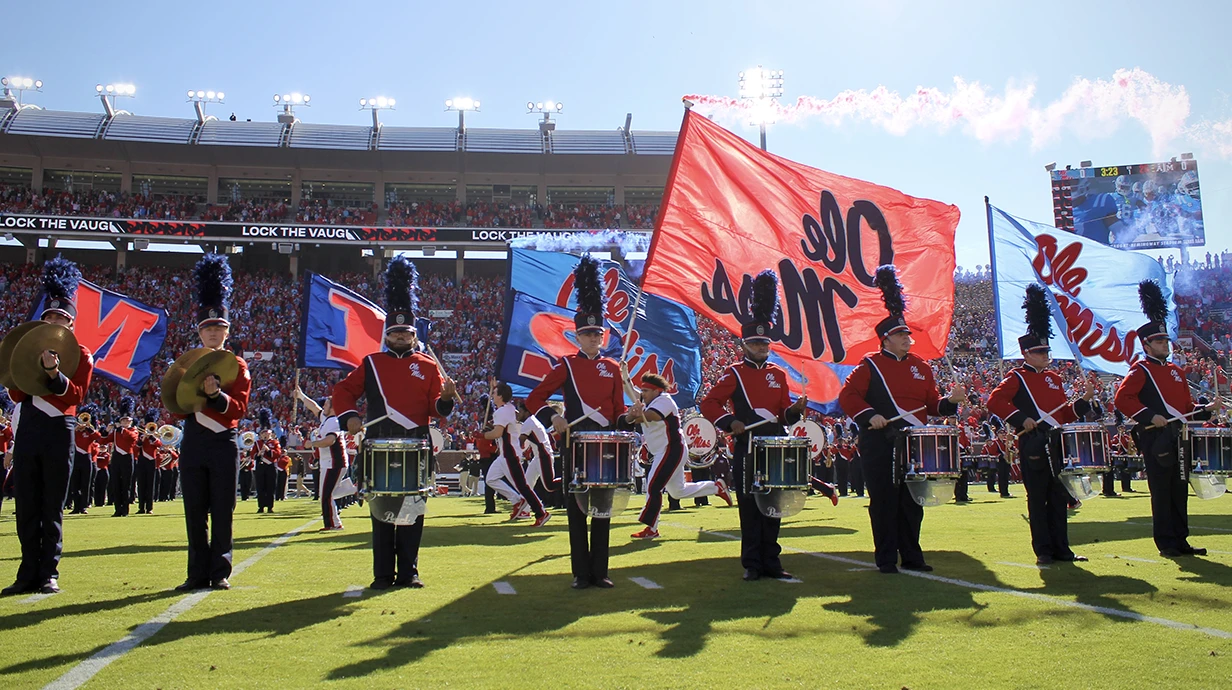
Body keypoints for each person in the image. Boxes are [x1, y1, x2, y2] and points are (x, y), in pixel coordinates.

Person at [332, 256, 457, 590]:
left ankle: (409, 572)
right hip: (379, 439)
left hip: (416, 440)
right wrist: (352, 417)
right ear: (388, 334)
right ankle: (382, 575)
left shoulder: (428, 365)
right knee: (382, 507)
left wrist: (445, 398)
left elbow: (437, 410)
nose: (402, 337)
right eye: (396, 332)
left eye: (407, 332)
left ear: (415, 334)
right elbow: (343, 391)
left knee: (414, 508)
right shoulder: (371, 363)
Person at [838, 265, 964, 574]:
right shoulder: (870, 366)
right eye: (901, 335)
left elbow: (931, 405)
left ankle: (912, 555)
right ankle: (885, 559)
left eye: (906, 334)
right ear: (886, 339)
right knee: (884, 501)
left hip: (913, 444)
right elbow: (848, 397)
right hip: (880, 441)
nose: (908, 339)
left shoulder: (922, 367)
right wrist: (871, 416)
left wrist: (951, 402)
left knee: (912, 501)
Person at [525, 255, 627, 590]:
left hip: (605, 444)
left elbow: (616, 411)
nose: (593, 339)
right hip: (576, 442)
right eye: (587, 334)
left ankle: (601, 571)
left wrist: (631, 418)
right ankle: (580, 573)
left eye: (598, 334)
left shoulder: (613, 368)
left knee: (602, 508)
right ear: (577, 336)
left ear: (603, 336)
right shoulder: (566, 366)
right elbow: (534, 399)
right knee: (577, 509)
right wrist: (555, 418)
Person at [700, 270, 807, 581]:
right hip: (747, 445)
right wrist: (730, 421)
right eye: (756, 342)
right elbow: (709, 404)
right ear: (745, 343)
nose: (762, 346)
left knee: (774, 502)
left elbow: (783, 413)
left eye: (765, 342)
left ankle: (772, 561)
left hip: (774, 444)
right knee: (749, 505)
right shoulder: (733, 373)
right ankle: (752, 564)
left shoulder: (780, 373)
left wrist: (795, 412)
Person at [2, 258, 95, 596]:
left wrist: (54, 373)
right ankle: (27, 571)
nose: (56, 322)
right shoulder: (28, 350)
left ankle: (48, 572)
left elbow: (76, 394)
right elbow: (15, 391)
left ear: (70, 324)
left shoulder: (81, 355)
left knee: (51, 504)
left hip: (59, 429)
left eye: (62, 318)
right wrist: (29, 366)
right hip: (29, 427)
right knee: (26, 503)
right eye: (50, 317)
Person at [988, 284, 1094, 565]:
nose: (1046, 355)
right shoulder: (1016, 377)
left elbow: (1064, 414)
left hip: (1057, 441)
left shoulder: (1056, 378)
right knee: (1038, 497)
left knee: (1060, 496)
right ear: (1026, 353)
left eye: (1046, 350)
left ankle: (1063, 549)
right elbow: (995, 403)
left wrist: (1083, 400)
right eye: (1040, 351)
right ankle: (1043, 551)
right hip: (1034, 440)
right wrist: (1022, 419)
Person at [1114, 280, 1220, 558]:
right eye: (1160, 341)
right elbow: (1122, 400)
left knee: (1179, 488)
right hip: (1155, 436)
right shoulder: (1140, 370)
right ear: (1147, 345)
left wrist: (1207, 408)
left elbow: (1186, 408)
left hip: (1178, 436)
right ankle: (1166, 542)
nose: (1165, 344)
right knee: (1161, 490)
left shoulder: (1176, 371)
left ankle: (1181, 540)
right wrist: (1151, 415)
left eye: (1165, 340)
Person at [171, 254, 251, 592]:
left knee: (222, 508)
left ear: (227, 331)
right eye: (208, 328)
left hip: (223, 442)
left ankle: (220, 571)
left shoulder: (238, 365)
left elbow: (239, 409)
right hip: (193, 439)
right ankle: (195, 572)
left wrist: (216, 395)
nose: (214, 332)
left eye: (219, 328)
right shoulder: (186, 364)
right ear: (200, 331)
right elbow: (175, 407)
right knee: (194, 511)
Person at [630, 371, 731, 540]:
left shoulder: (664, 401)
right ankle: (716, 487)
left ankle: (651, 527)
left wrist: (636, 415)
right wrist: (624, 376)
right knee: (677, 492)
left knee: (653, 486)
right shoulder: (651, 401)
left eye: (646, 391)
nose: (642, 394)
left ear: (656, 391)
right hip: (665, 450)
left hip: (671, 449)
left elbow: (653, 416)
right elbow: (633, 393)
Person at [483, 383, 551, 525]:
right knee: (491, 479)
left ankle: (541, 512)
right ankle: (517, 501)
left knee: (523, 486)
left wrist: (482, 435)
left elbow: (497, 433)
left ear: (500, 396)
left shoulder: (502, 412)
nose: (492, 395)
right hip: (505, 454)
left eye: (495, 393)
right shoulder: (508, 409)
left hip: (510, 454)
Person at [298, 388, 346, 531]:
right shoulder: (327, 419)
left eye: (326, 405)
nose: (323, 407)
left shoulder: (334, 422)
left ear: (332, 408)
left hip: (334, 462)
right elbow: (313, 407)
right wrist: (301, 395)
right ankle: (353, 488)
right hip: (329, 462)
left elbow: (330, 440)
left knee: (326, 495)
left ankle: (332, 524)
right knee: (327, 493)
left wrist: (312, 444)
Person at [68, 404, 103, 514]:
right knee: (75, 483)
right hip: (76, 457)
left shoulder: (89, 431)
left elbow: (98, 436)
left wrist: (89, 427)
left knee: (85, 484)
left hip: (86, 458)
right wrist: (75, 428)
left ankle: (83, 506)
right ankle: (76, 506)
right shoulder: (75, 431)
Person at [108, 398, 139, 517]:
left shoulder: (133, 430)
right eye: (123, 421)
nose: (125, 422)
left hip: (127, 457)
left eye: (127, 421)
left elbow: (132, 438)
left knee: (126, 484)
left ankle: (125, 509)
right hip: (116, 457)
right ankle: (117, 509)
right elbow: (103, 440)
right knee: (116, 483)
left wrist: (122, 429)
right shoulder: (116, 432)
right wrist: (105, 432)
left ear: (130, 422)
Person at [136, 410, 163, 515]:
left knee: (150, 485)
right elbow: (135, 448)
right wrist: (142, 440)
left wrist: (151, 436)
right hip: (142, 459)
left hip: (151, 460)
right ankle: (141, 507)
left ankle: (149, 507)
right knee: (141, 484)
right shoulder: (140, 434)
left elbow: (159, 444)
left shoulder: (155, 435)